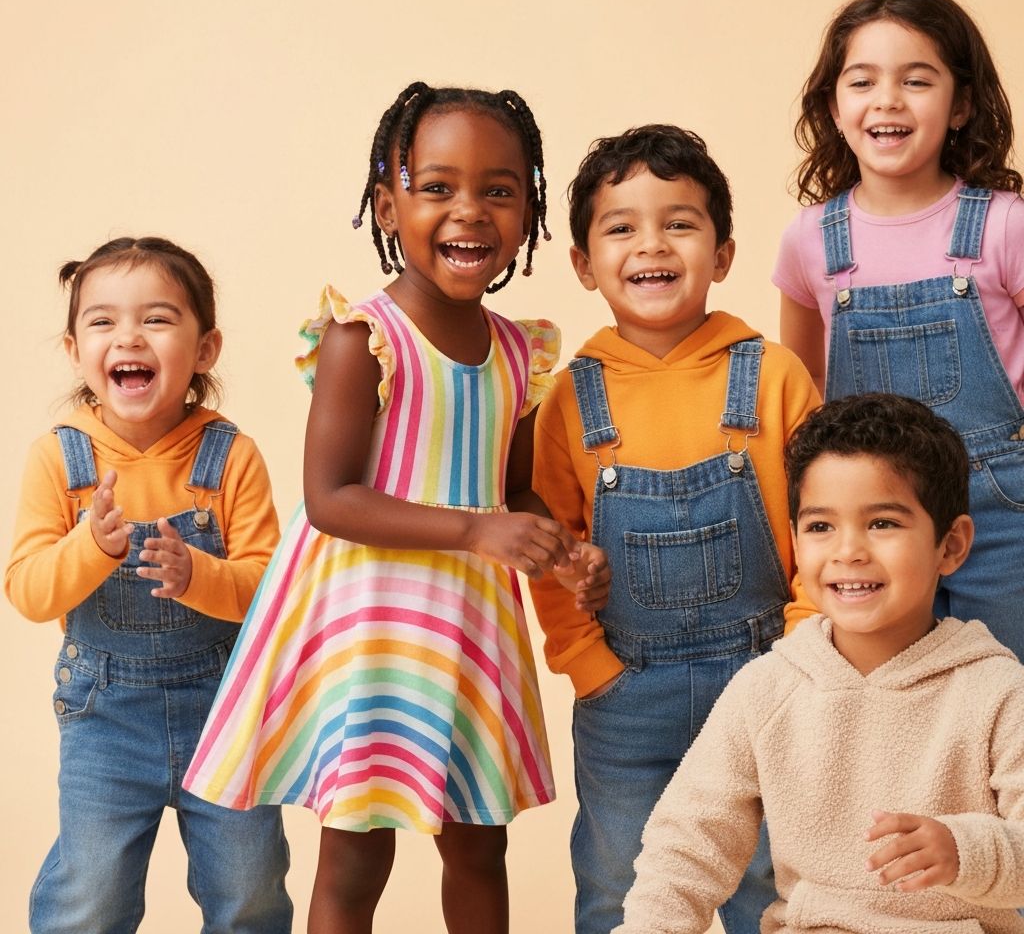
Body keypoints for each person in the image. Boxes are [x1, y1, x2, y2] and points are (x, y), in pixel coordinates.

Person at [183, 81, 607, 934]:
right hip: (374, 623)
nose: (470, 211)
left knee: (479, 844)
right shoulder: (363, 337)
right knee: (358, 848)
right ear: (388, 202)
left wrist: (559, 547)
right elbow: (331, 497)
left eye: (500, 189)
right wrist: (477, 530)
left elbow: (510, 487)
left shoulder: (523, 351)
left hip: (469, 625)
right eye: (437, 186)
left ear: (529, 209)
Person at [528, 124, 820, 934]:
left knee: (773, 890)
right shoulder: (569, 398)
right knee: (623, 892)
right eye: (621, 227)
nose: (651, 244)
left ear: (723, 253)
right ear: (584, 264)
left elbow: (822, 528)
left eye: (680, 223)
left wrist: (801, 650)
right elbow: (550, 549)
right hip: (626, 696)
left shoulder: (773, 374)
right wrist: (590, 669)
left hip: (767, 680)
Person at [615, 392, 1024, 933]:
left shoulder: (998, 691)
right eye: (821, 527)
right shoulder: (766, 687)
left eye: (882, 523)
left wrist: (964, 849)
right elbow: (686, 846)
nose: (848, 550)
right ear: (795, 541)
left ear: (951, 545)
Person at [5, 237, 292, 933]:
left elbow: (271, 588)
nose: (128, 335)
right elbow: (29, 589)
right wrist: (89, 548)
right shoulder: (59, 458)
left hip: (225, 710)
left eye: (157, 319)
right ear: (75, 350)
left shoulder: (230, 456)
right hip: (104, 716)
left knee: (249, 889)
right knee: (91, 894)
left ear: (205, 349)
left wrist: (200, 575)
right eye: (102, 322)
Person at [773, 0, 1024, 658]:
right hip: (868, 526)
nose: (887, 100)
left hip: (1001, 516)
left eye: (917, 80)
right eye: (862, 81)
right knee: (891, 703)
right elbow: (805, 401)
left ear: (962, 104)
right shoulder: (812, 242)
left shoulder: (1005, 225)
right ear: (834, 104)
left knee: (1006, 688)